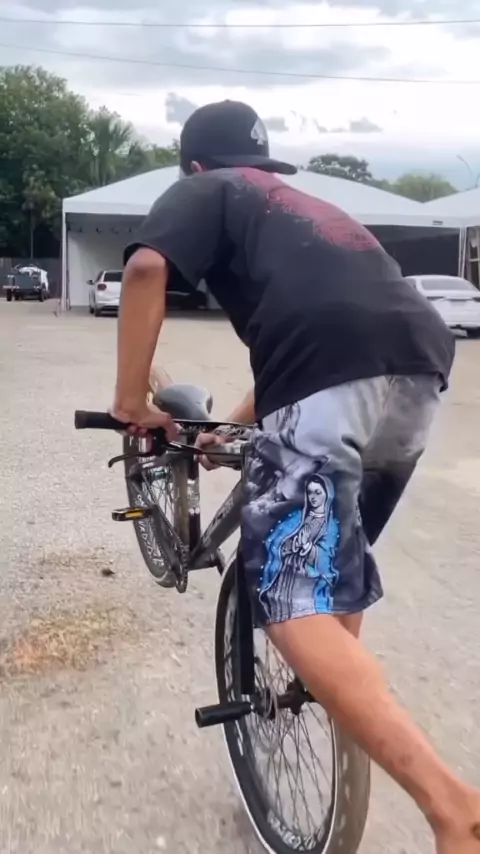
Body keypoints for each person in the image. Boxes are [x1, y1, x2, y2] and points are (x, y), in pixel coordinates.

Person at [110, 100, 480, 853]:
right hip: (419, 361)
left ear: (194, 165)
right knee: (331, 568)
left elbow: (145, 267)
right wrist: (234, 423)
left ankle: (455, 808)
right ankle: (339, 711)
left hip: (330, 367)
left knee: (290, 600)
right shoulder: (307, 207)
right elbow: (317, 337)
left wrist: (128, 401)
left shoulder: (206, 187)